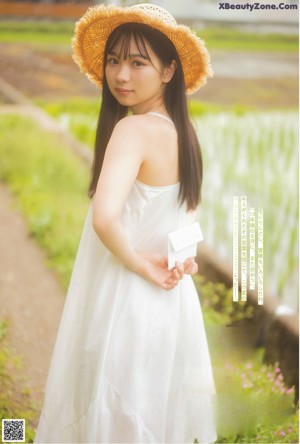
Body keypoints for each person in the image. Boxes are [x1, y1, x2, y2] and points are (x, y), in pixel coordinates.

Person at [34, 3, 217, 443]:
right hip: (171, 305)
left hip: (128, 297)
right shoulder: (182, 133)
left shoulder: (133, 131)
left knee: (114, 410)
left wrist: (142, 266)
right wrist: (181, 261)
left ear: (169, 71)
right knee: (149, 414)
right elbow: (188, 216)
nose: (121, 76)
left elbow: (104, 218)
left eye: (138, 63)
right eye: (114, 61)